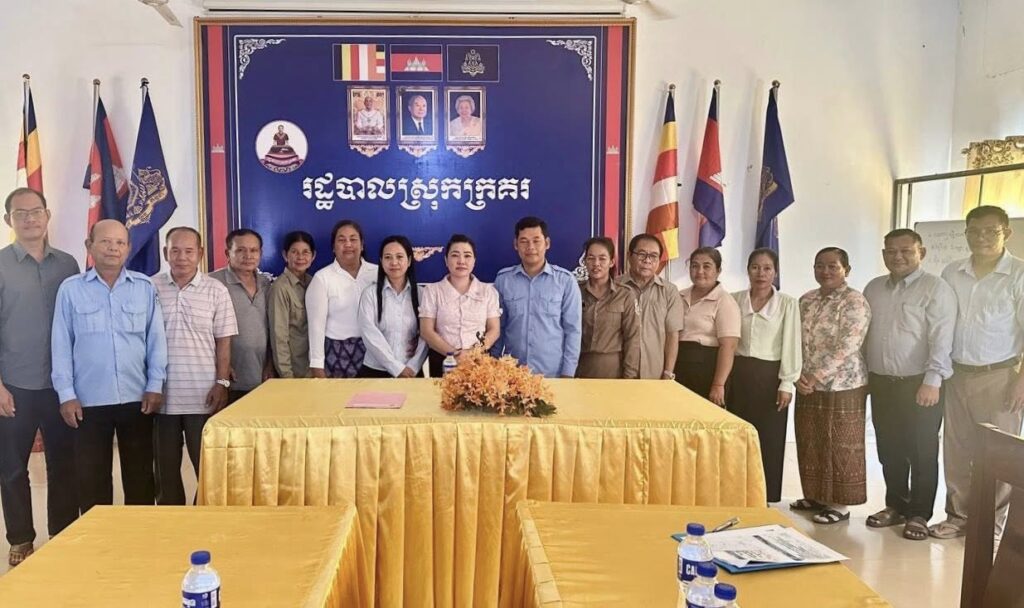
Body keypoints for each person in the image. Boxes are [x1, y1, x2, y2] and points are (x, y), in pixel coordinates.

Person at [51, 219, 167, 513]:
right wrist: (66, 394)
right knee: (92, 481)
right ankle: (98, 537)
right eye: (105, 241)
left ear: (128, 248)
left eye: (119, 243)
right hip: (87, 401)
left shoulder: (144, 287)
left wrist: (155, 385)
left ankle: (138, 535)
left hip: (137, 398)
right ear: (89, 246)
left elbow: (156, 340)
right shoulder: (71, 290)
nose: (113, 248)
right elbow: (61, 344)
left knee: (140, 477)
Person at [931, 205, 1024, 540]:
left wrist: (1021, 382)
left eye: (990, 231)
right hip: (956, 375)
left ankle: (990, 524)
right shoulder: (952, 272)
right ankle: (957, 516)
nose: (981, 237)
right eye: (974, 230)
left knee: (998, 452)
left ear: (1006, 233)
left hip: (999, 377)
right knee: (957, 449)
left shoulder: (1018, 274)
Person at [0, 188, 79, 567]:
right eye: (21, 213)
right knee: (12, 467)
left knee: (63, 464)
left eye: (36, 211)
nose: (30, 219)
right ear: (8, 221)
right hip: (14, 384)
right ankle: (20, 537)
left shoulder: (68, 264)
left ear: (47, 216)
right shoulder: (1, 264)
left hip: (61, 385)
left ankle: (62, 534)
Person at [863, 229, 955, 541]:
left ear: (921, 253)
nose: (897, 257)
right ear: (883, 254)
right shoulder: (874, 288)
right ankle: (896, 505)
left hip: (920, 383)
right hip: (881, 382)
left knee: (922, 450)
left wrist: (933, 380)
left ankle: (919, 513)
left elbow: (942, 338)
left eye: (906, 251)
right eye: (891, 251)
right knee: (889, 448)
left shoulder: (936, 288)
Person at [153, 227, 237, 506]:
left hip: (203, 396)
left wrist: (222, 383)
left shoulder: (216, 290)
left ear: (200, 253)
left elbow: (224, 342)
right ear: (165, 253)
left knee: (208, 470)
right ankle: (171, 521)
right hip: (161, 397)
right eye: (175, 250)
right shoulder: (150, 288)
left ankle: (203, 519)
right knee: (165, 471)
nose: (182, 257)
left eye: (189, 251)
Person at [790, 247, 871, 525]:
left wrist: (816, 376)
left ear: (846, 270)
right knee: (811, 440)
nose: (825, 271)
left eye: (833, 266)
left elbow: (849, 344)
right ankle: (815, 496)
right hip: (806, 383)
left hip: (843, 384)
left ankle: (840, 504)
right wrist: (797, 375)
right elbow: (795, 340)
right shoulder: (806, 300)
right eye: (819, 266)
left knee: (840, 444)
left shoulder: (854, 301)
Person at [728, 248, 802, 504]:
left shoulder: (788, 304)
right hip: (737, 374)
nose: (761, 273)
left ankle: (764, 495)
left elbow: (791, 344)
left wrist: (787, 382)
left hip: (770, 377)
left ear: (775, 272)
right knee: (737, 436)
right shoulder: (734, 299)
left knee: (768, 437)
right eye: (755, 267)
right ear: (747, 270)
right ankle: (735, 492)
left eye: (767, 268)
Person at [492, 216, 582, 378]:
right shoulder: (503, 280)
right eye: (524, 241)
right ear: (515, 244)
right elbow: (498, 328)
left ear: (547, 243)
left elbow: (573, 330)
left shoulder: (565, 281)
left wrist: (568, 373)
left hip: (552, 374)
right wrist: (493, 365)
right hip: (513, 374)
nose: (530, 247)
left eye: (536, 241)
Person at [419, 234, 500, 376]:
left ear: (474, 261)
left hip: (479, 361)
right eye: (455, 255)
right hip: (442, 360)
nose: (461, 261)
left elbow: (494, 330)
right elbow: (426, 331)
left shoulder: (488, 291)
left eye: (467, 256)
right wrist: (454, 354)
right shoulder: (432, 291)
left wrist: (472, 353)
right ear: (446, 260)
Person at [307, 220, 378, 378]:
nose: (348, 244)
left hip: (374, 353)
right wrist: (317, 366)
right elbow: (316, 327)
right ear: (333, 247)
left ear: (362, 245)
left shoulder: (378, 273)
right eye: (341, 240)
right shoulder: (322, 278)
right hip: (337, 356)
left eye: (353, 239)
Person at [210, 229, 273, 403]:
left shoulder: (266, 283)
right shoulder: (213, 283)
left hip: (263, 377)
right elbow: (202, 332)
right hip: (228, 379)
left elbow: (272, 329)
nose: (248, 256)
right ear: (227, 253)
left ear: (260, 253)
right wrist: (222, 368)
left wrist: (270, 364)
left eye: (254, 250)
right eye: (240, 250)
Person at [615, 234, 684, 380]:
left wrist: (668, 372)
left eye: (653, 256)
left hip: (654, 373)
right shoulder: (615, 287)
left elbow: (672, 335)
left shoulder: (669, 291)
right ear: (629, 256)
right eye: (642, 254)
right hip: (617, 370)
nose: (647, 260)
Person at [357, 236, 428, 377]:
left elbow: (426, 335)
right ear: (381, 261)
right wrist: (396, 368)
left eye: (399, 257)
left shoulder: (422, 295)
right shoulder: (370, 294)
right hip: (376, 371)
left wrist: (413, 366)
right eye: (388, 257)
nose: (394, 262)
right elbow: (370, 334)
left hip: (411, 372)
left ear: (409, 261)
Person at [676, 247, 740, 404]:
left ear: (718, 271)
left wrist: (718, 384)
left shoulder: (725, 301)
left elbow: (729, 346)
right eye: (694, 266)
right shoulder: (679, 296)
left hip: (707, 369)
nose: (700, 271)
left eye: (706, 266)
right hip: (679, 364)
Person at [576, 237, 640, 379]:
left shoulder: (625, 294)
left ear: (611, 262)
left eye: (602, 258)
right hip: (580, 366)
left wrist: (630, 376)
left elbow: (632, 338)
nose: (596, 264)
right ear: (584, 261)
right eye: (591, 258)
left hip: (613, 369)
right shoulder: (575, 291)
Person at [269, 231, 316, 378]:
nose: (300, 257)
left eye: (305, 252)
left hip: (315, 369)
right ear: (285, 255)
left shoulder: (315, 282)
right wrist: (287, 376)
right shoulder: (280, 288)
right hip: (295, 372)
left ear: (313, 256)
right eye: (294, 252)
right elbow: (279, 337)